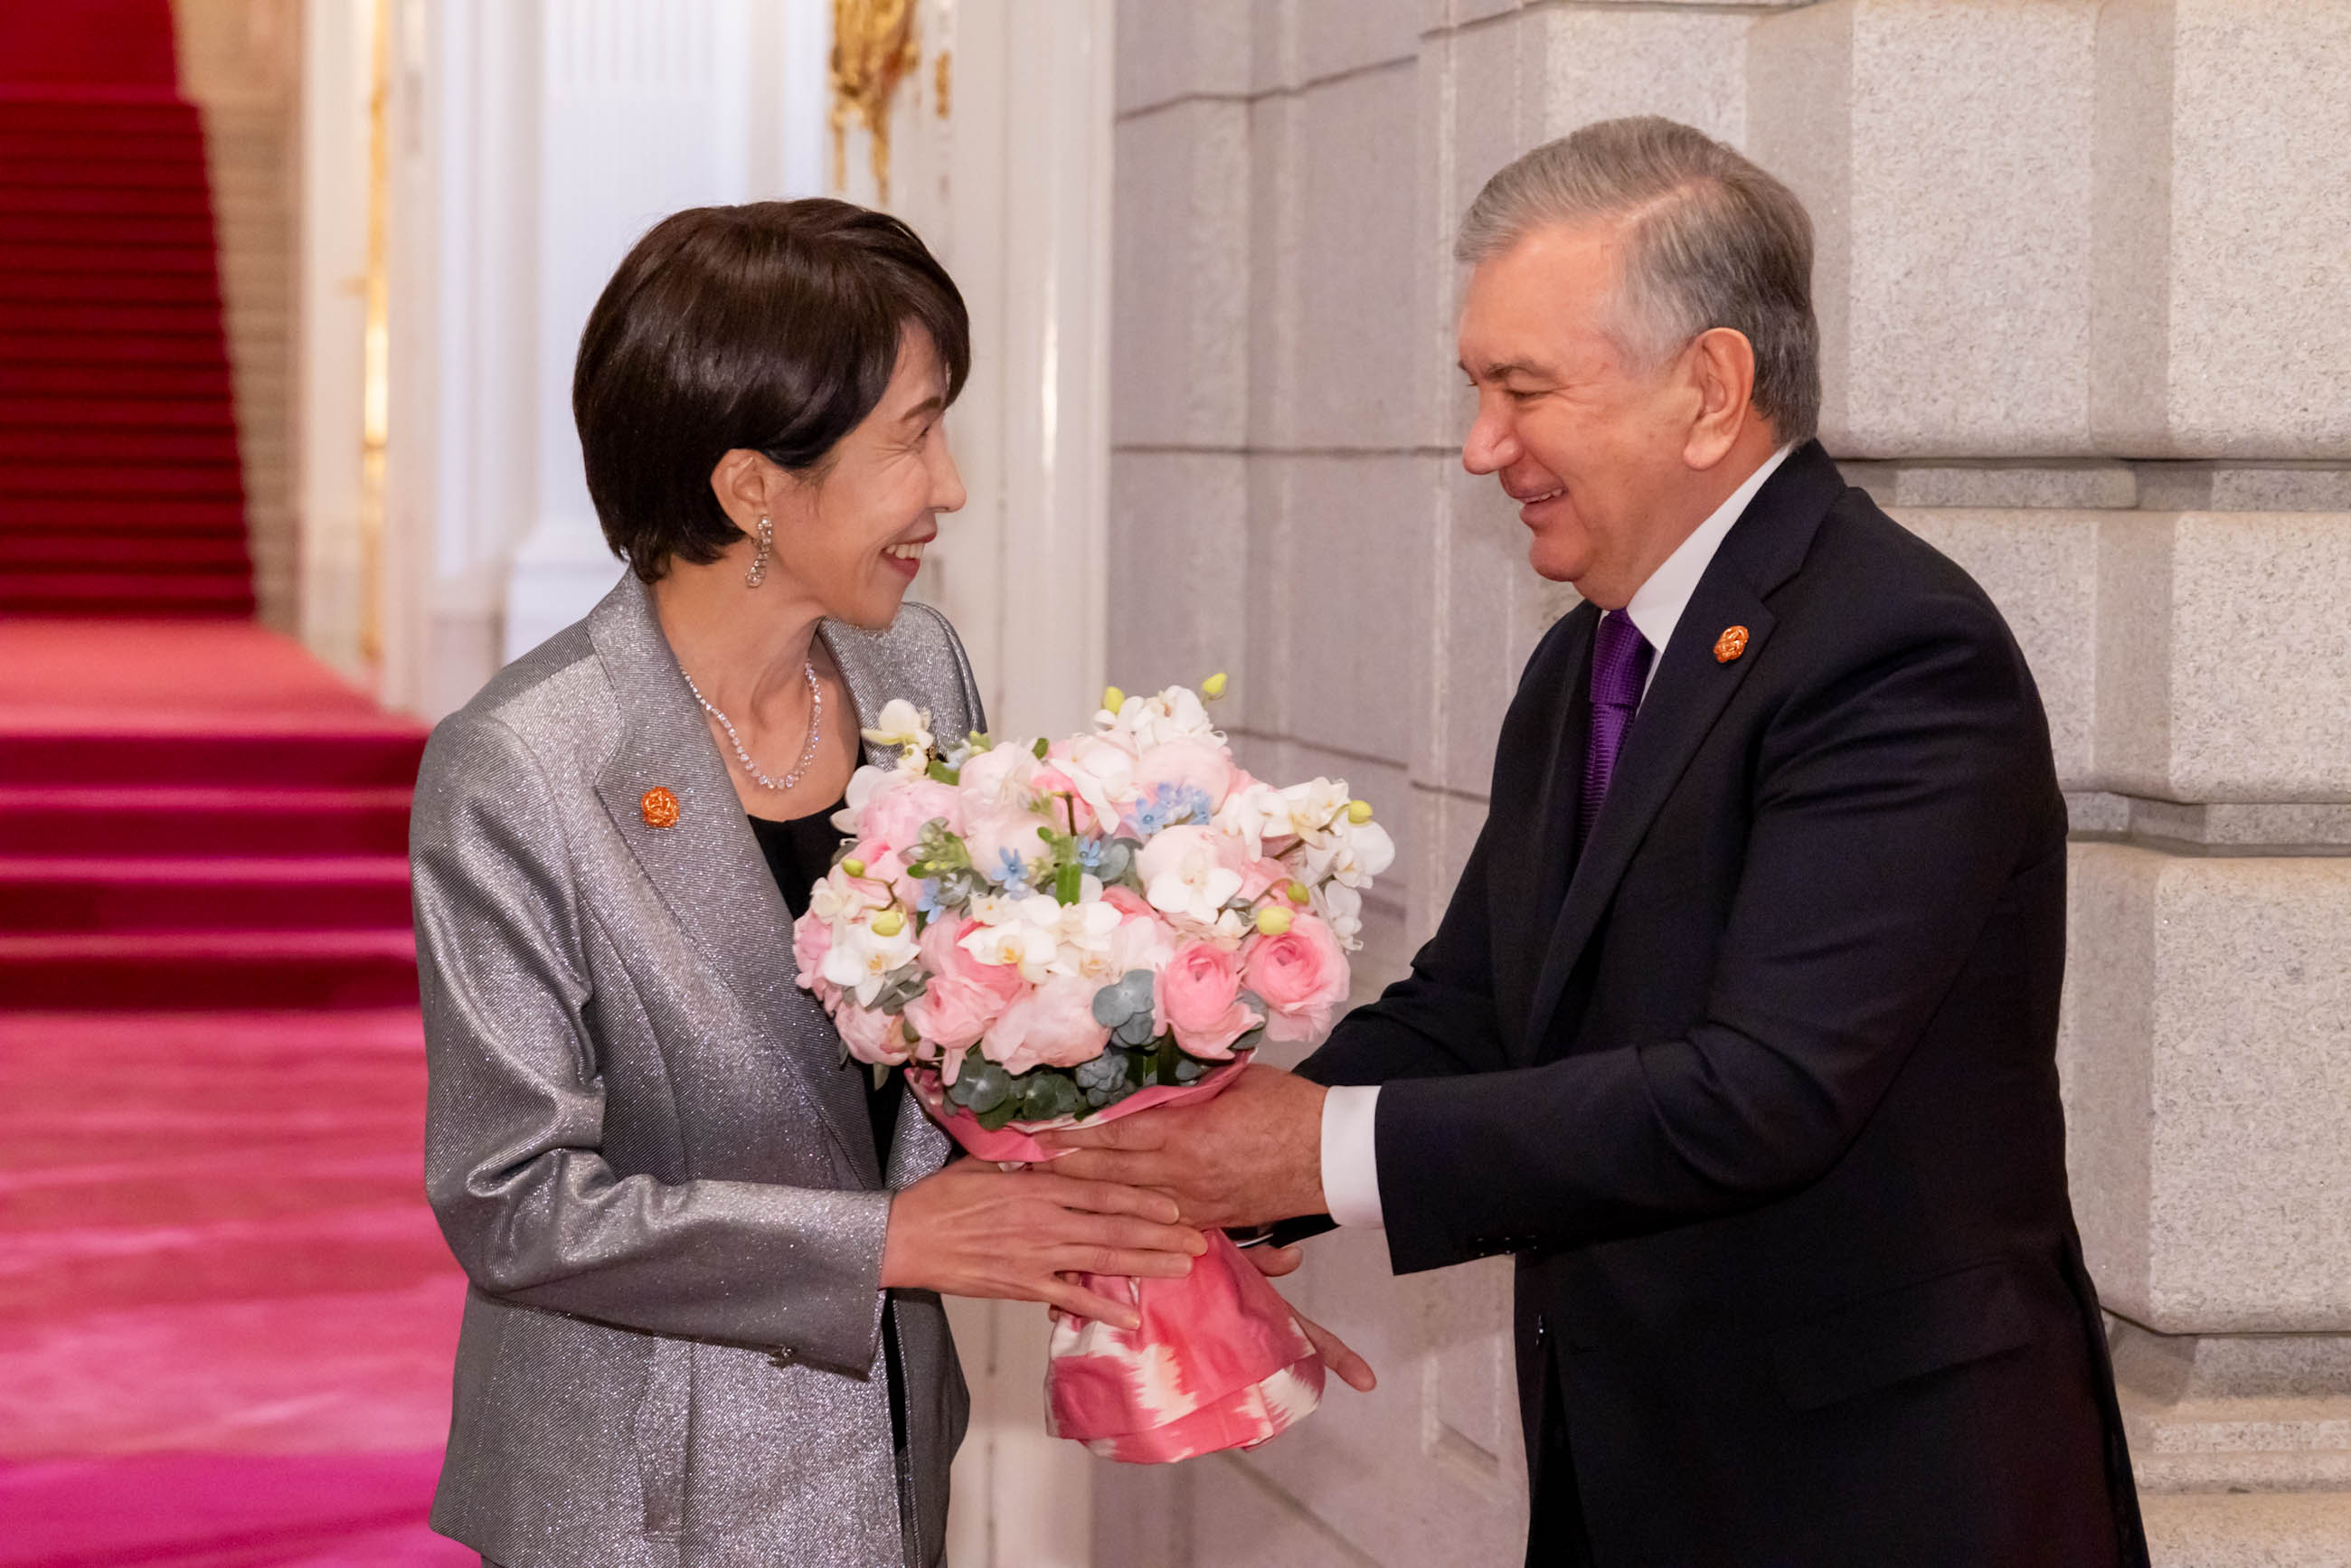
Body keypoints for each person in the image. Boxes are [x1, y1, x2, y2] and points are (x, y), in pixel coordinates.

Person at [1049, 118, 2149, 1566]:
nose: (1479, 446)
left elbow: (1764, 1092)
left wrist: (1315, 1149)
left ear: (1709, 388)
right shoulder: (1590, 661)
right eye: (1476, 388)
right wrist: (1206, 1149)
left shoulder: (1893, 648)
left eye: (1525, 390)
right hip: (1637, 1474)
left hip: (1879, 1490)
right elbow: (1486, 1007)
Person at [411, 199, 1204, 1568]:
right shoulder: (525, 764)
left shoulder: (917, 675)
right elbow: (514, 1199)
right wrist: (886, 1241)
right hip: (643, 1500)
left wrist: (1179, 1192)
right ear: (751, 486)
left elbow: (972, 1054)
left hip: (889, 1450)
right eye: (914, 433)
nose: (949, 487)